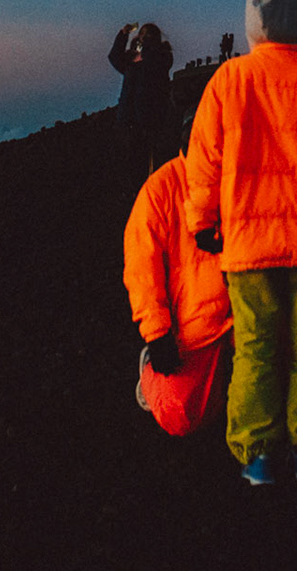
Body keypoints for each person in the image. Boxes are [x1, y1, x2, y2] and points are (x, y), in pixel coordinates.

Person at [184, 0, 297, 485]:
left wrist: (202, 223)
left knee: (255, 345)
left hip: (247, 238)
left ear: (251, 25)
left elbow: (203, 163)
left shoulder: (227, 81)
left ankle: (259, 454)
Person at [123, 140, 233, 437]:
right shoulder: (161, 190)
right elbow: (141, 266)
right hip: (194, 330)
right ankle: (152, 378)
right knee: (180, 414)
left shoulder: (244, 174)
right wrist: (157, 333)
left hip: (247, 315)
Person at [109, 23, 175, 179]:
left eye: (148, 35)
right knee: (132, 160)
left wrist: (143, 51)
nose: (144, 37)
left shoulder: (162, 55)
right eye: (142, 34)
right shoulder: (132, 59)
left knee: (151, 158)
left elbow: (154, 63)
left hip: (152, 116)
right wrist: (122, 35)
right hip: (129, 116)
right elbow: (114, 58)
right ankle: (134, 194)